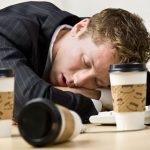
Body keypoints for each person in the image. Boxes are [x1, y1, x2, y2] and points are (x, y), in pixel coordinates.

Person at [0, 1, 149, 123]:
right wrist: (99, 99)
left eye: (98, 82)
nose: (78, 80)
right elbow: (30, 103)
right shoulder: (9, 29)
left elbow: (144, 88)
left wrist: (55, 92)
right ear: (79, 27)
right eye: (86, 62)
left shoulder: (97, 35)